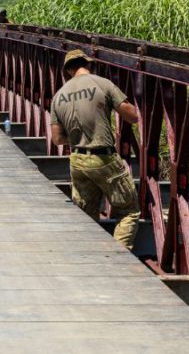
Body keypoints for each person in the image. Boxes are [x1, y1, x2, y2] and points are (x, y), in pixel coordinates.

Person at [48, 49, 141, 250]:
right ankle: (119, 255)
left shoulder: (58, 96)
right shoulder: (103, 84)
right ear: (88, 64)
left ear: (68, 70)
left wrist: (77, 138)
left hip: (78, 161)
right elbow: (132, 116)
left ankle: (91, 253)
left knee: (86, 215)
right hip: (104, 159)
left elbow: (57, 139)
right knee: (128, 210)